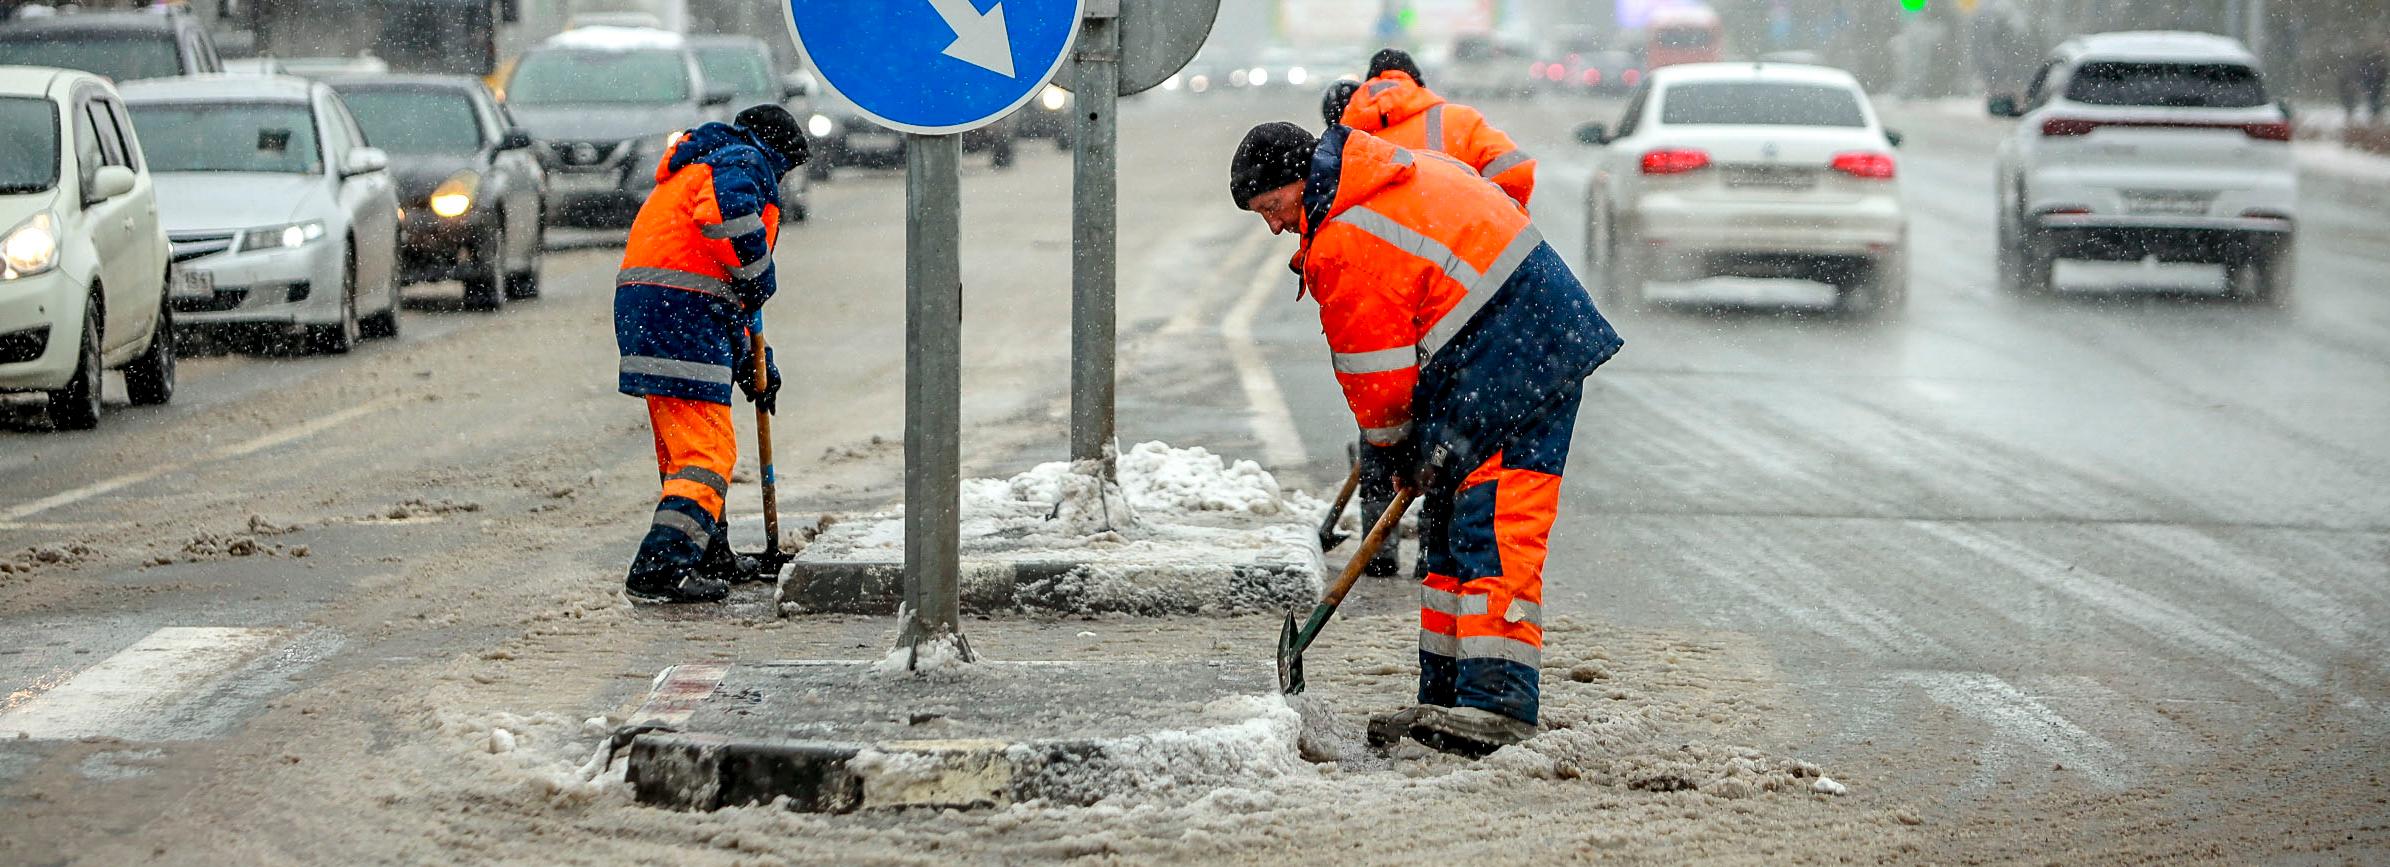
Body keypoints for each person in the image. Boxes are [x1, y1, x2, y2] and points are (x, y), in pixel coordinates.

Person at [1229, 121, 1622, 756]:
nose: (1274, 227)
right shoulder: (1377, 180)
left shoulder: (1347, 239)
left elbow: (1379, 385)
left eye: (1273, 208)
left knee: (1493, 525)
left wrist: (1392, 457)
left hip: (1521, 358)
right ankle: (1447, 698)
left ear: (1301, 181)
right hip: (1496, 348)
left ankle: (1499, 707)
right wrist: (1416, 457)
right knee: (1447, 524)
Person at [614, 104, 807, 604]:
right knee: (708, 454)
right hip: (681, 312)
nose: (783, 179)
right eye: (787, 166)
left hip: (659, 309)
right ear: (777, 151)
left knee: (683, 454)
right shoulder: (743, 161)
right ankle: (658, 568)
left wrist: (751, 360)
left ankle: (706, 553)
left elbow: (711, 273)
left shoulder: (707, 161)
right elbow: (728, 219)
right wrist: (759, 273)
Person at [1339, 48, 1534, 211]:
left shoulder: (1346, 137)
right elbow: (1516, 170)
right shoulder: (1459, 120)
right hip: (1457, 244)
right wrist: (1488, 209)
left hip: (1383, 249)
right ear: (1418, 83)